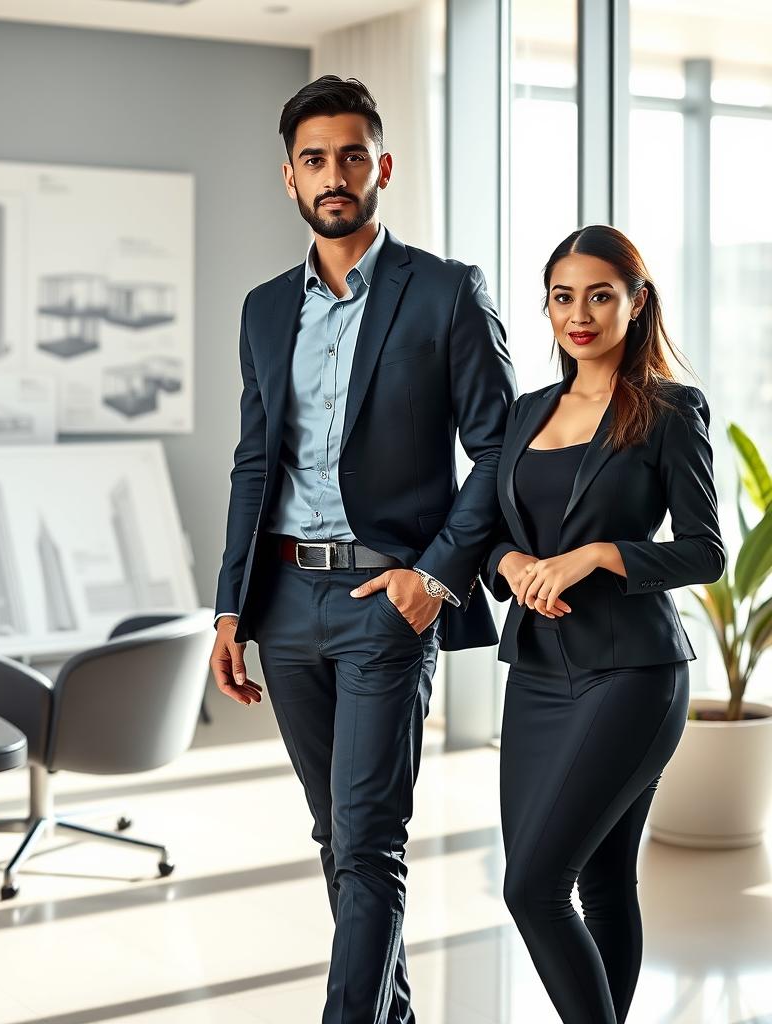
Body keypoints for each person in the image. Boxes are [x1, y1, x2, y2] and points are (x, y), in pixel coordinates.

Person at [210, 75, 517, 1024]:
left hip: (386, 599)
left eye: (351, 155)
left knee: (372, 835)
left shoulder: (446, 292)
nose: (333, 175)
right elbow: (253, 460)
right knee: (333, 834)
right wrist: (228, 607)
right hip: (286, 603)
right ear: (290, 179)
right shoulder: (266, 309)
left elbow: (499, 450)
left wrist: (433, 577)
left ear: (382, 166)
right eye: (314, 160)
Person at [481, 224, 726, 1024]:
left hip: (632, 674)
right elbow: (491, 536)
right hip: (539, 676)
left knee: (532, 889)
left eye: (600, 295)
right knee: (601, 883)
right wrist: (510, 568)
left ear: (636, 302)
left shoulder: (667, 410)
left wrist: (597, 556)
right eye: (562, 296)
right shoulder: (525, 414)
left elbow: (704, 552)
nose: (578, 313)